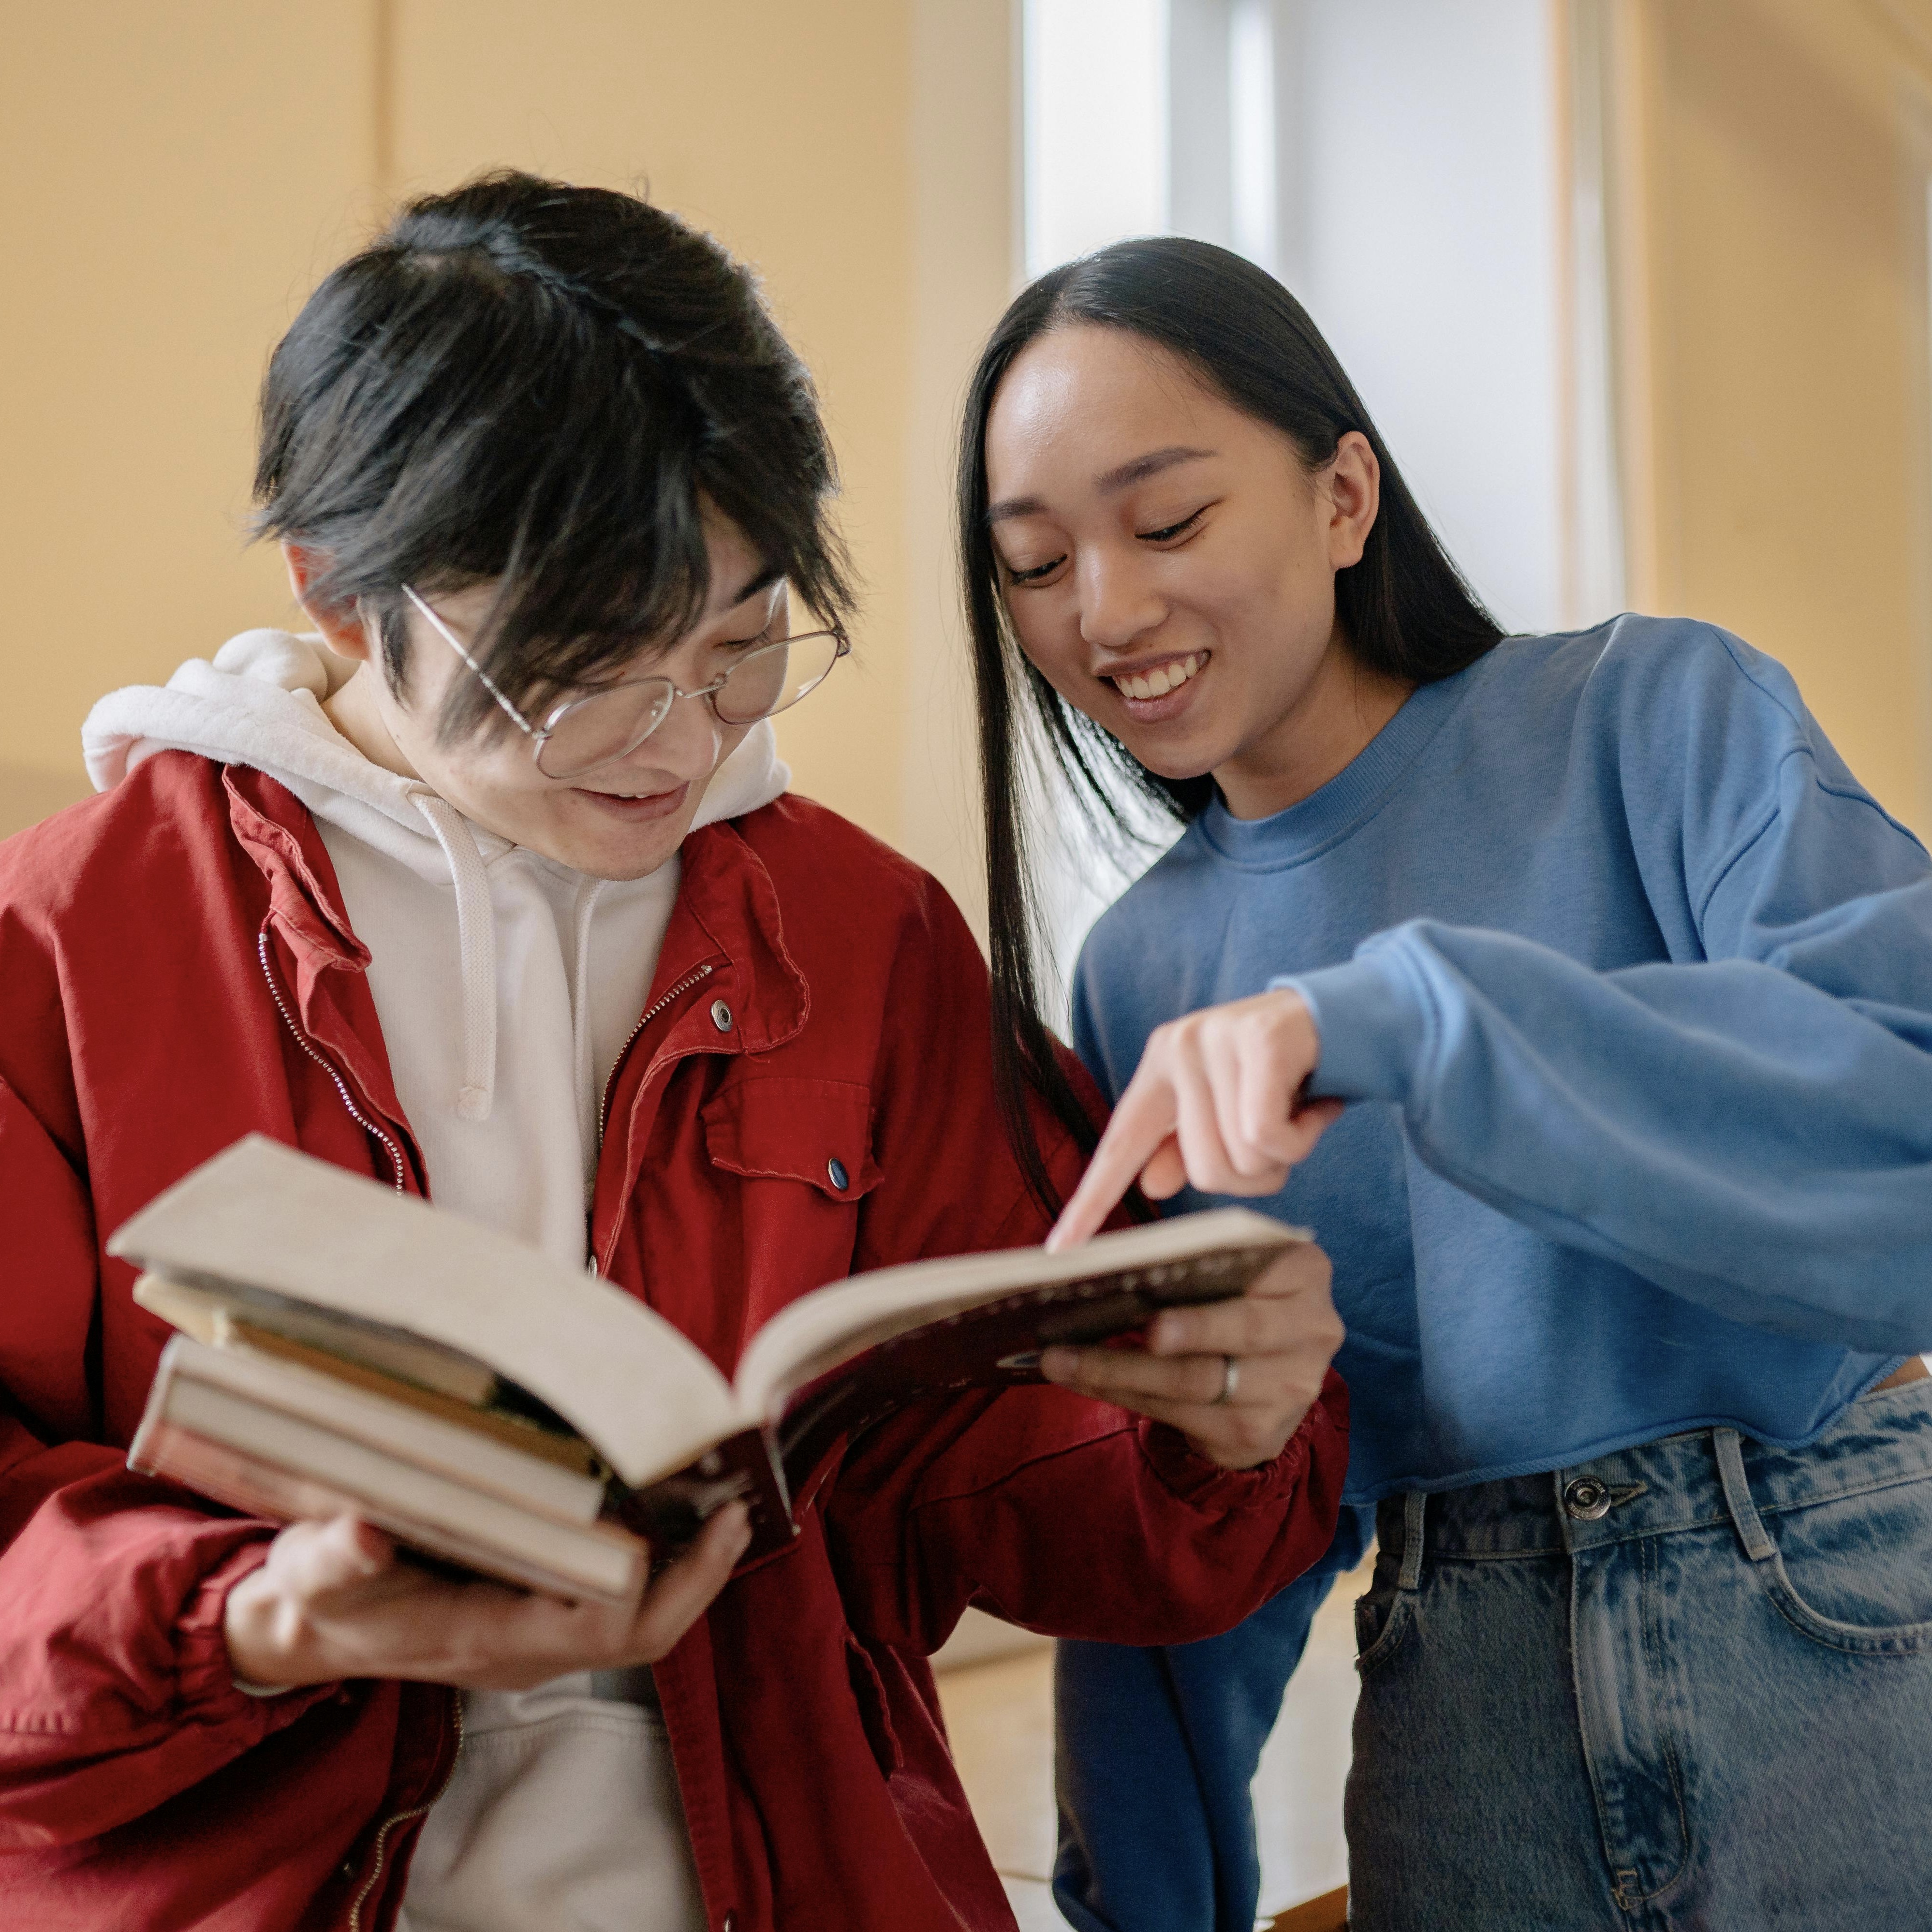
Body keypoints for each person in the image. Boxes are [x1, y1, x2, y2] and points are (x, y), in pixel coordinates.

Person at [0, 182, 1351, 1932]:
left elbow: (1006, 1487)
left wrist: (1215, 1427)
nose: (677, 741)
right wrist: (253, 1613)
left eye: (737, 649)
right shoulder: (73, 944)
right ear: (340, 590)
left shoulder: (858, 934)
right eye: (585, 669)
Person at [955, 235, 1932, 1932]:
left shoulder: (1653, 715)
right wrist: (1142, 1899)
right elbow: (1205, 1509)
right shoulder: (1136, 977)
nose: (1104, 612)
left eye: (1167, 521)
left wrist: (1405, 1014)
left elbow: (1901, 1145)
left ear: (1345, 496)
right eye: (1035, 564)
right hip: (1455, 1716)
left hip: (1831, 1615)